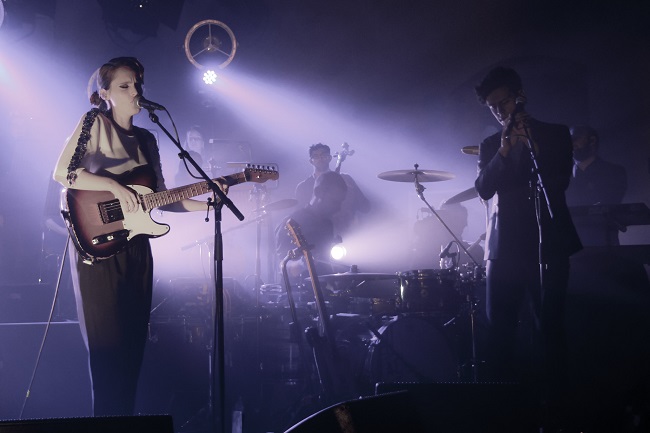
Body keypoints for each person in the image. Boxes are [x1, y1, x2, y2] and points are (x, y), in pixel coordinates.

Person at [52, 57, 224, 416]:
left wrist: (209, 200)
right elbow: (64, 172)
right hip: (97, 248)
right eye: (125, 86)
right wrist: (114, 186)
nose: (135, 92)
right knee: (107, 356)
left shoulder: (147, 138)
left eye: (138, 85)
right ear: (105, 93)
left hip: (138, 248)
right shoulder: (94, 122)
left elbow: (161, 199)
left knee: (132, 351)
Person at [473, 67, 582, 427]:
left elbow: (561, 181)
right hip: (504, 247)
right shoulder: (492, 143)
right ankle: (503, 413)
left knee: (550, 328)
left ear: (520, 96)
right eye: (492, 107)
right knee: (499, 331)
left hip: (548, 242)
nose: (499, 111)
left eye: (503, 102)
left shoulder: (555, 133)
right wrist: (505, 151)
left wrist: (532, 146)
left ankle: (556, 412)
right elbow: (484, 188)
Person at [277, 171, 348, 284]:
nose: (338, 208)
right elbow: (282, 266)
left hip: (323, 289)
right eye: (335, 201)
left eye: (340, 202)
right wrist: (301, 264)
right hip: (299, 291)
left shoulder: (328, 224)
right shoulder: (291, 222)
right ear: (318, 192)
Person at [565, 124, 628, 246]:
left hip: (603, 243)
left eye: (576, 138)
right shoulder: (560, 176)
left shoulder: (614, 172)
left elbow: (609, 203)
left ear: (592, 141)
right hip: (569, 245)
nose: (571, 143)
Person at [294, 143, 370, 238]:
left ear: (330, 158)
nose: (320, 158)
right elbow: (299, 218)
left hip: (350, 234)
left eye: (324, 155)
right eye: (316, 156)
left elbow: (365, 207)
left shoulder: (346, 179)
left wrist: (350, 192)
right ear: (311, 161)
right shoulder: (303, 187)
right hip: (319, 237)